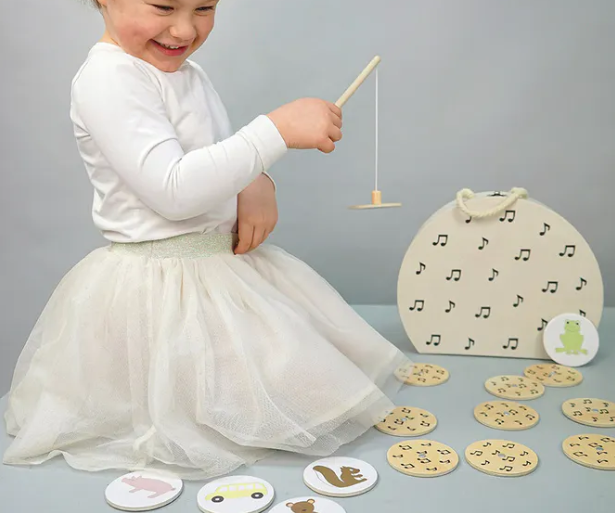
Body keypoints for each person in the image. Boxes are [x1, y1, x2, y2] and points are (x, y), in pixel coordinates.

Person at [3, 0, 412, 480]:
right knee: (182, 406)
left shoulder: (188, 74)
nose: (184, 29)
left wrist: (254, 180)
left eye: (205, 7)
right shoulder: (108, 78)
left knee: (290, 385)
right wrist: (274, 133)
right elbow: (173, 191)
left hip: (215, 273)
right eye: (163, 6)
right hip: (158, 290)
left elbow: (211, 159)